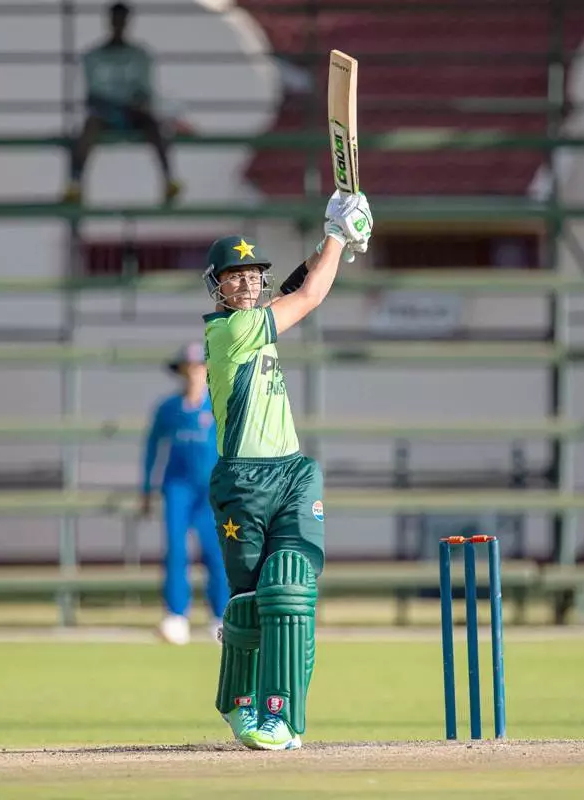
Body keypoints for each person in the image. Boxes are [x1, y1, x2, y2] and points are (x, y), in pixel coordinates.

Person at [202, 191, 372, 750]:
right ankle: (240, 704)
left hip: (292, 473)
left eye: (254, 275)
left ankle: (284, 717)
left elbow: (302, 284)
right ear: (218, 286)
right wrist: (338, 235)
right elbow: (313, 294)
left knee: (290, 590)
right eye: (236, 276)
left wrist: (336, 242)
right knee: (250, 604)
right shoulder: (230, 333)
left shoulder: (258, 320)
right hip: (243, 483)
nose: (248, 284)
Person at [141, 342, 229, 645]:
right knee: (176, 552)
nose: (194, 374)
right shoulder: (168, 409)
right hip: (178, 488)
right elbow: (153, 449)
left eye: (200, 367)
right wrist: (146, 490)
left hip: (211, 493)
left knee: (216, 554)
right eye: (188, 368)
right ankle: (176, 616)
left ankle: (220, 617)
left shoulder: (219, 404)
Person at [64, 2, 182, 205]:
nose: (119, 24)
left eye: (122, 20)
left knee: (154, 126)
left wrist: (135, 104)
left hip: (132, 113)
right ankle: (75, 183)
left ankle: (169, 180)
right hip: (105, 113)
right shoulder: (93, 56)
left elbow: (145, 92)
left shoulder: (139, 55)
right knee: (88, 128)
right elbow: (92, 95)